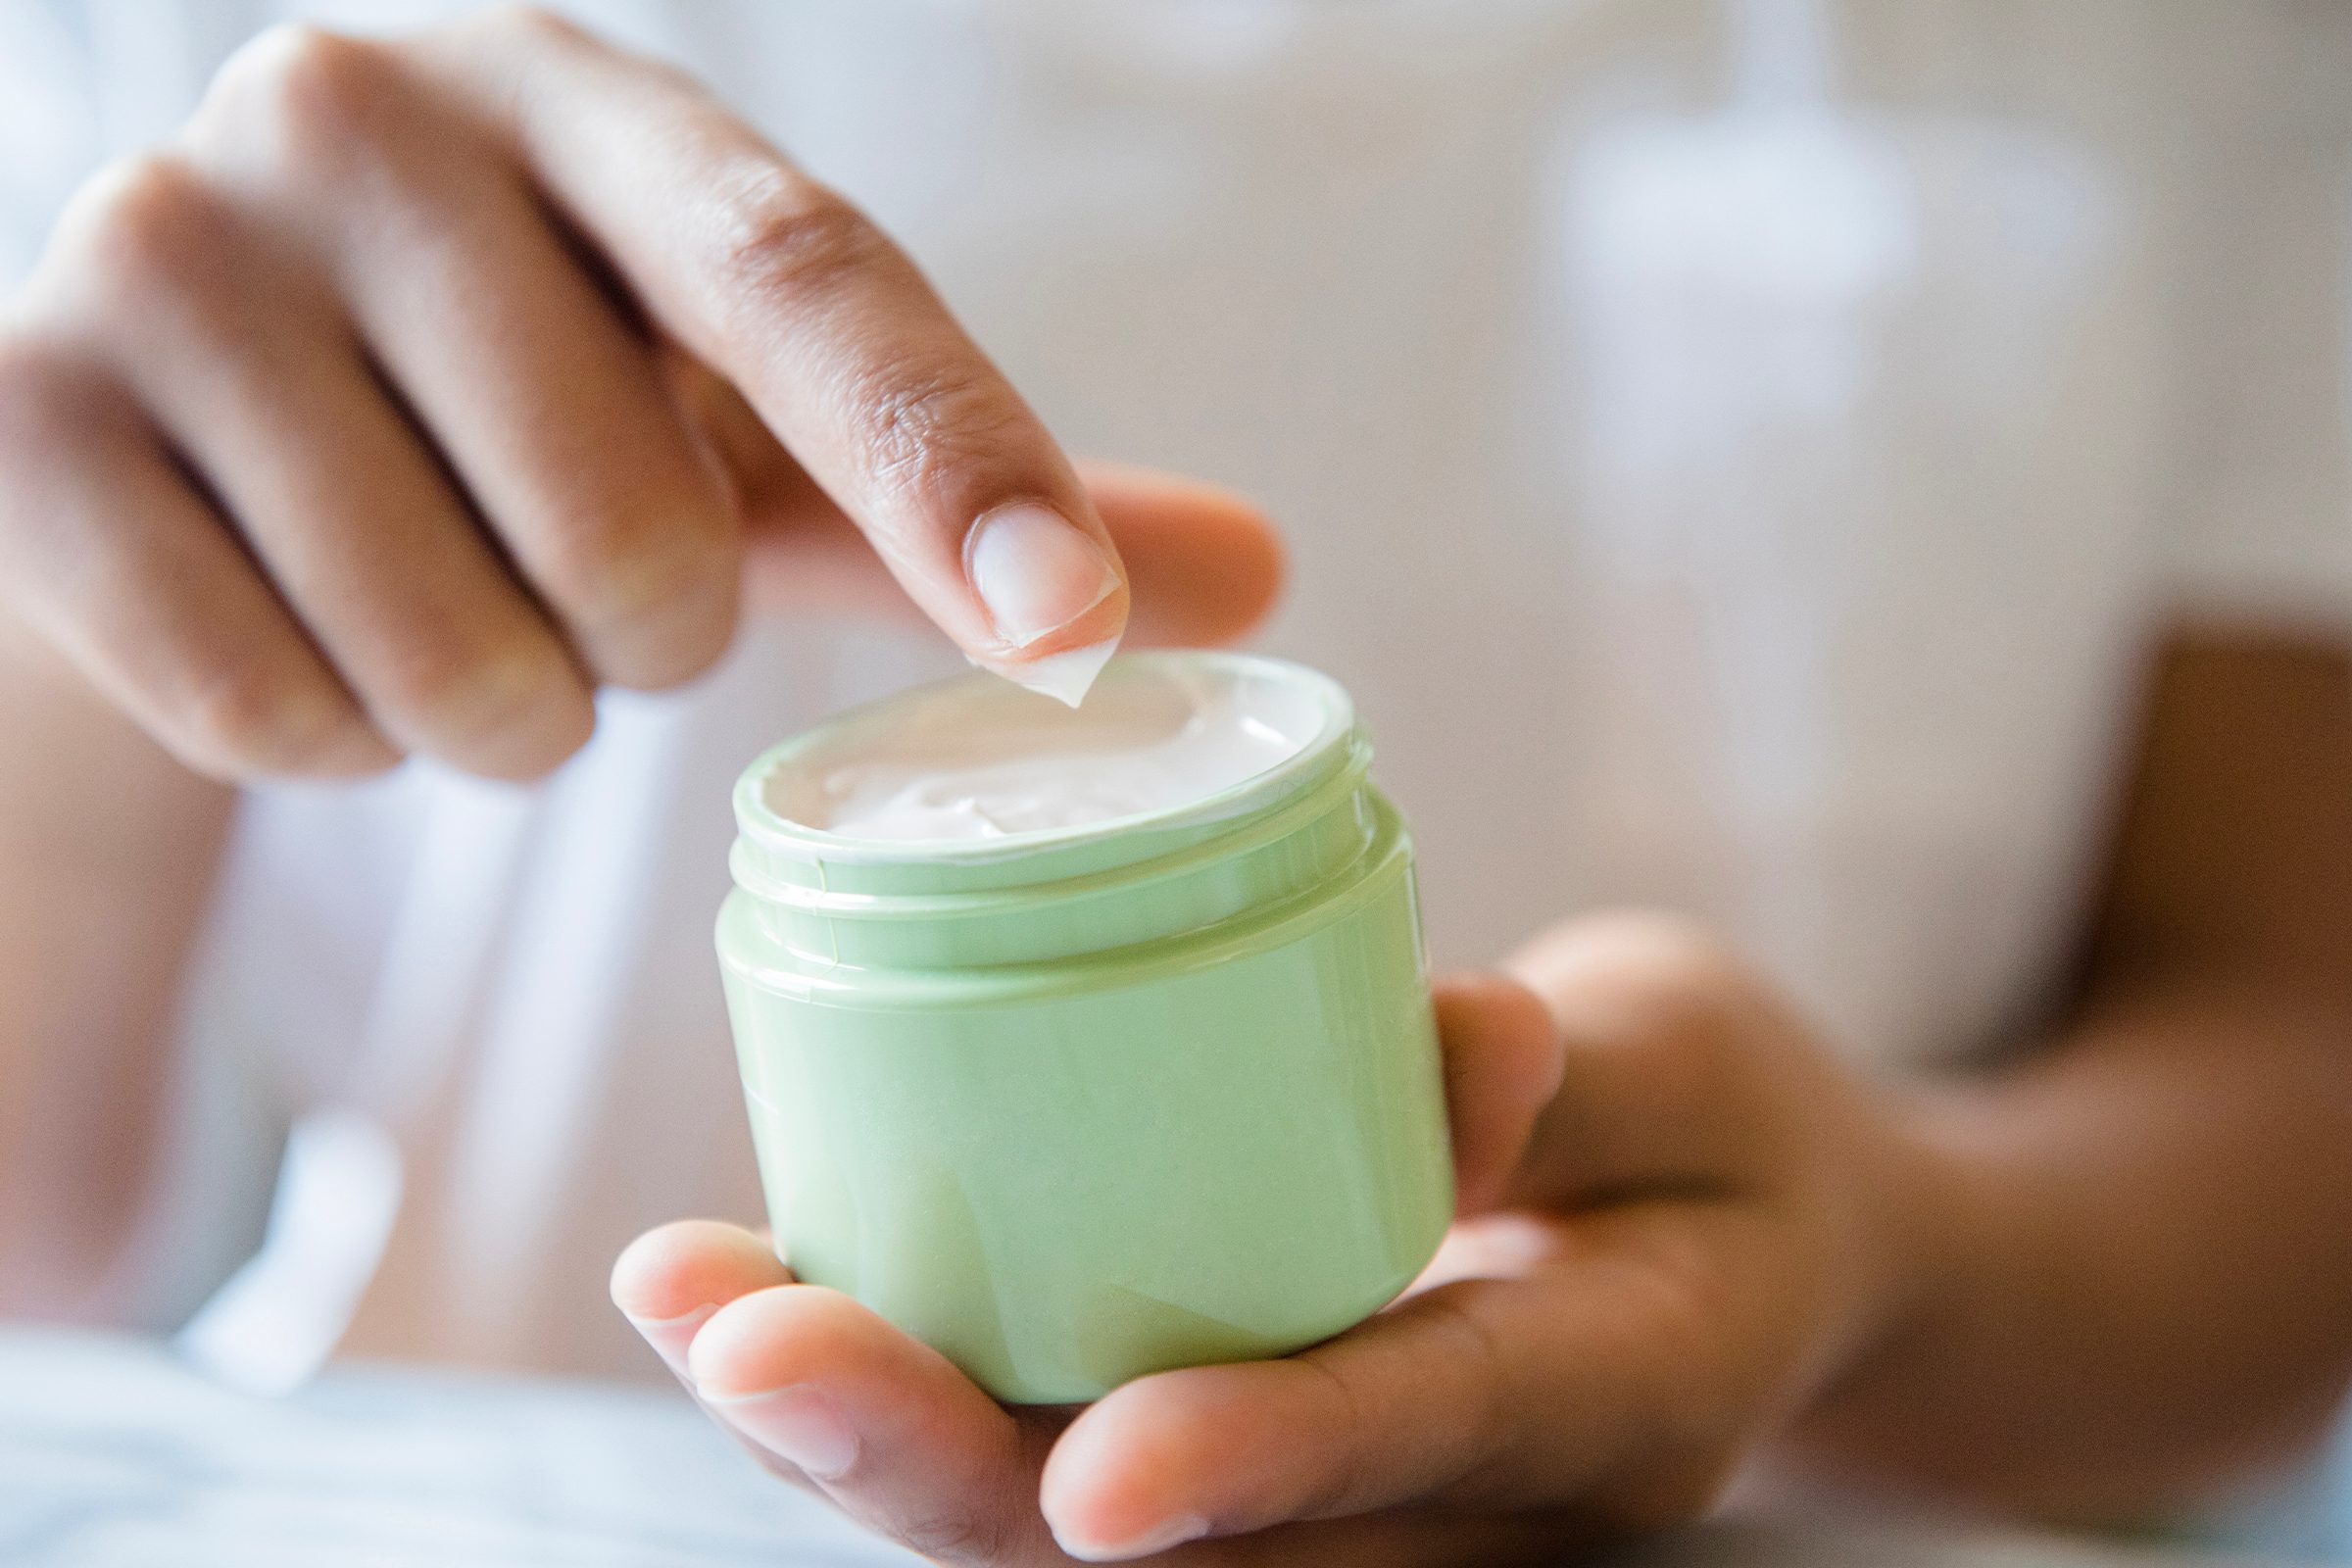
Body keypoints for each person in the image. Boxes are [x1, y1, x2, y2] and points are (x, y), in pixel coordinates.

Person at [2, 2, 2349, 1563]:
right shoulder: (231, 71)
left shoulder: (2229, 54)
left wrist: (1893, 1249)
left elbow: (2295, 1047)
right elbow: (36, 1228)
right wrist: (95, 610)